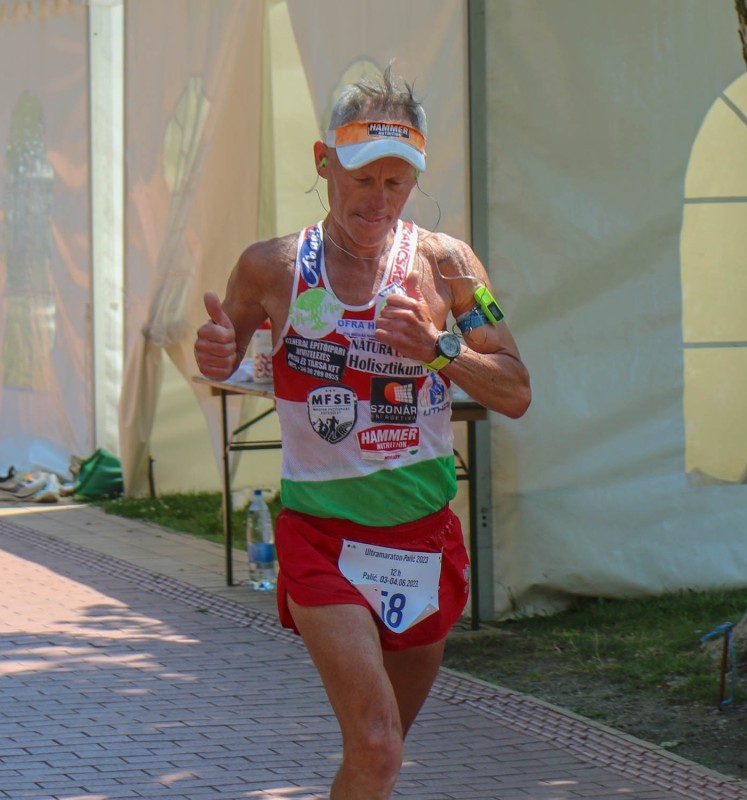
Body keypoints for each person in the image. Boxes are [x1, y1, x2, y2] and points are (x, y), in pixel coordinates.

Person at [194, 68, 530, 799]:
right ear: (324, 163)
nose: (378, 200)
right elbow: (227, 354)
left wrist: (440, 349)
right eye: (362, 179)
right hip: (322, 539)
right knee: (377, 745)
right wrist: (216, 355)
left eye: (396, 183)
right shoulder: (272, 267)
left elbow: (515, 389)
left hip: (423, 539)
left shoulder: (451, 267)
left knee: (379, 755)